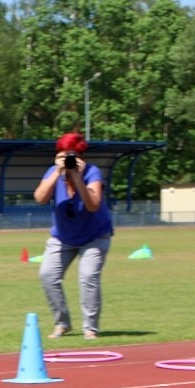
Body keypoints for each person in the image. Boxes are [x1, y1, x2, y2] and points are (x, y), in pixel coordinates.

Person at [33, 131, 113, 340]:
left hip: (94, 235)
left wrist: (77, 178)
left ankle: (90, 328)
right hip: (63, 236)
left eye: (71, 155)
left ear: (80, 157)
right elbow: (40, 198)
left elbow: (93, 205)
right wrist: (56, 173)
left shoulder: (92, 172)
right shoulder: (53, 171)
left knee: (88, 277)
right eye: (62, 154)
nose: (67, 159)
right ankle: (62, 323)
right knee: (47, 275)